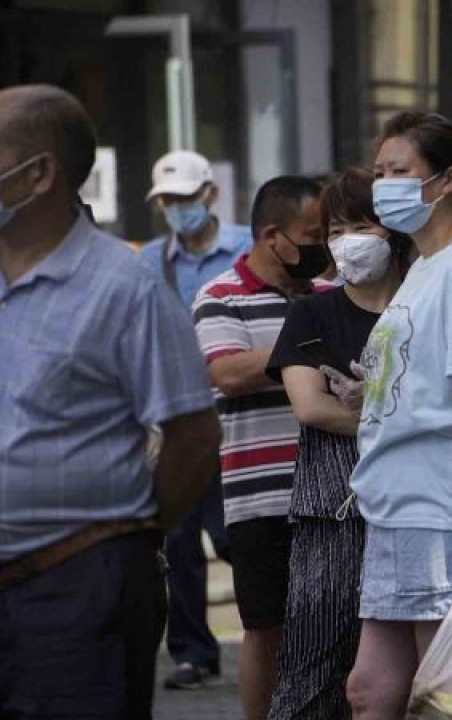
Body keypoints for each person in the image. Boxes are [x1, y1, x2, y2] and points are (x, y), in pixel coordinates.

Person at [0, 84, 221, 719]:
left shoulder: (125, 289)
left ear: (39, 174)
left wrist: (130, 534)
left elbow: (193, 435)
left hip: (79, 587)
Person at [343, 112, 452, 720]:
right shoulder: (424, 265)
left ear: (447, 180)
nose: (384, 186)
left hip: (442, 503)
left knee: (450, 694)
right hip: (395, 499)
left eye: (400, 171)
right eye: (379, 172)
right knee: (369, 690)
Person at [262, 168, 412, 719]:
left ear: (395, 230)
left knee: (417, 670)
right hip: (333, 513)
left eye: (362, 226)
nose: (347, 241)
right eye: (335, 230)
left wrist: (375, 414)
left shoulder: (423, 307)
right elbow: (311, 407)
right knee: (315, 666)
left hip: (418, 507)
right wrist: (401, 422)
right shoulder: (311, 312)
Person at [193, 175, 330, 720]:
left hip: (333, 494)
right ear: (273, 236)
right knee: (264, 627)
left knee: (337, 624)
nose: (322, 247)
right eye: (312, 235)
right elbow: (228, 373)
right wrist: (308, 344)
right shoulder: (220, 296)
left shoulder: (328, 294)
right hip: (260, 498)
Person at [138, 148, 250, 690]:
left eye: (185, 198)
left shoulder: (248, 248)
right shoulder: (149, 263)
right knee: (178, 539)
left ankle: (272, 633)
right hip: (177, 419)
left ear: (210, 194)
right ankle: (193, 652)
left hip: (239, 415)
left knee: (236, 535)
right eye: (167, 201)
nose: (177, 209)